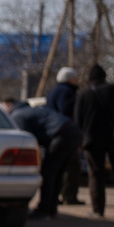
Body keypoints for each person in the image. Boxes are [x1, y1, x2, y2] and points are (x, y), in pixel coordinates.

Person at [74, 64, 114, 218]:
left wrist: (81, 138)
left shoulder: (84, 94)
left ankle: (98, 209)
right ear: (104, 76)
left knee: (96, 173)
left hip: (92, 140)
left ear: (89, 79)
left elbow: (78, 119)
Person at [1, 97, 82, 219]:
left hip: (61, 135)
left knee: (48, 174)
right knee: (57, 174)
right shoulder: (30, 110)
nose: (4, 111)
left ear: (10, 105)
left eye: (4, 107)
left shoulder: (18, 115)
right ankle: (52, 209)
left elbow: (25, 140)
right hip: (73, 132)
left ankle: (43, 210)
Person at [47, 66, 84, 205]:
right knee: (71, 166)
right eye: (75, 78)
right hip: (65, 134)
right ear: (70, 79)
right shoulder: (66, 92)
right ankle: (69, 196)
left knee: (57, 167)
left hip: (54, 134)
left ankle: (54, 196)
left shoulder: (55, 91)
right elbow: (68, 112)